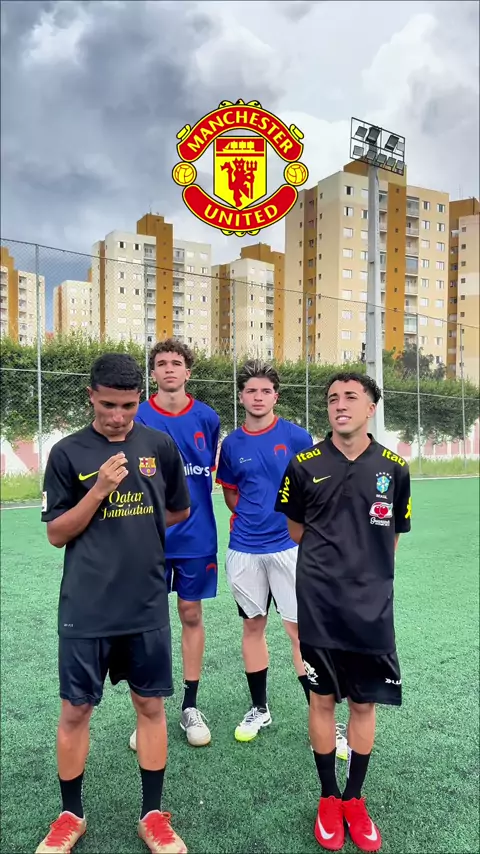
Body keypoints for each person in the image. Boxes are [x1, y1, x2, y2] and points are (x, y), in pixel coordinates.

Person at [37, 353, 191, 854]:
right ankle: (70, 815)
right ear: (91, 397)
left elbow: (178, 509)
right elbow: (57, 533)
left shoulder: (159, 445)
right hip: (86, 608)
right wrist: (100, 490)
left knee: (150, 706)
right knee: (75, 711)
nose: (118, 416)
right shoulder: (67, 453)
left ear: (139, 399)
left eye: (128, 406)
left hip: (145, 604)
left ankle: (153, 815)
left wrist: (138, 534)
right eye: (108, 405)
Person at [274, 372, 412, 853]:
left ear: (371, 407)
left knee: (364, 703)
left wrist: (366, 574)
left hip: (371, 609)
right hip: (319, 605)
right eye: (333, 398)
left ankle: (354, 798)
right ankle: (329, 797)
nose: (340, 404)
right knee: (321, 701)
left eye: (351, 397)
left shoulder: (394, 467)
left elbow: (391, 538)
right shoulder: (303, 464)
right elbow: (296, 530)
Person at [128, 339, 220, 750]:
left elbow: (206, 470)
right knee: (149, 621)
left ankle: (190, 705)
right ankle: (150, 712)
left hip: (196, 536)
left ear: (188, 371)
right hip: (148, 536)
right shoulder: (138, 416)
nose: (169, 368)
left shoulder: (207, 417)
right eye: (161, 363)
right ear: (153, 373)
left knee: (190, 613)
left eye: (176, 362)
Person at [215, 359, 313, 743]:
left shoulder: (297, 437)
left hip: (289, 547)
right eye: (251, 391)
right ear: (241, 396)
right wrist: (251, 519)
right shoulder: (231, 444)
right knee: (253, 626)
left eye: (265, 391)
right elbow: (230, 493)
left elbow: (311, 489)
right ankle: (260, 708)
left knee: (298, 631)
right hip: (244, 549)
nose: (258, 397)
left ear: (276, 396)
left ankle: (320, 714)